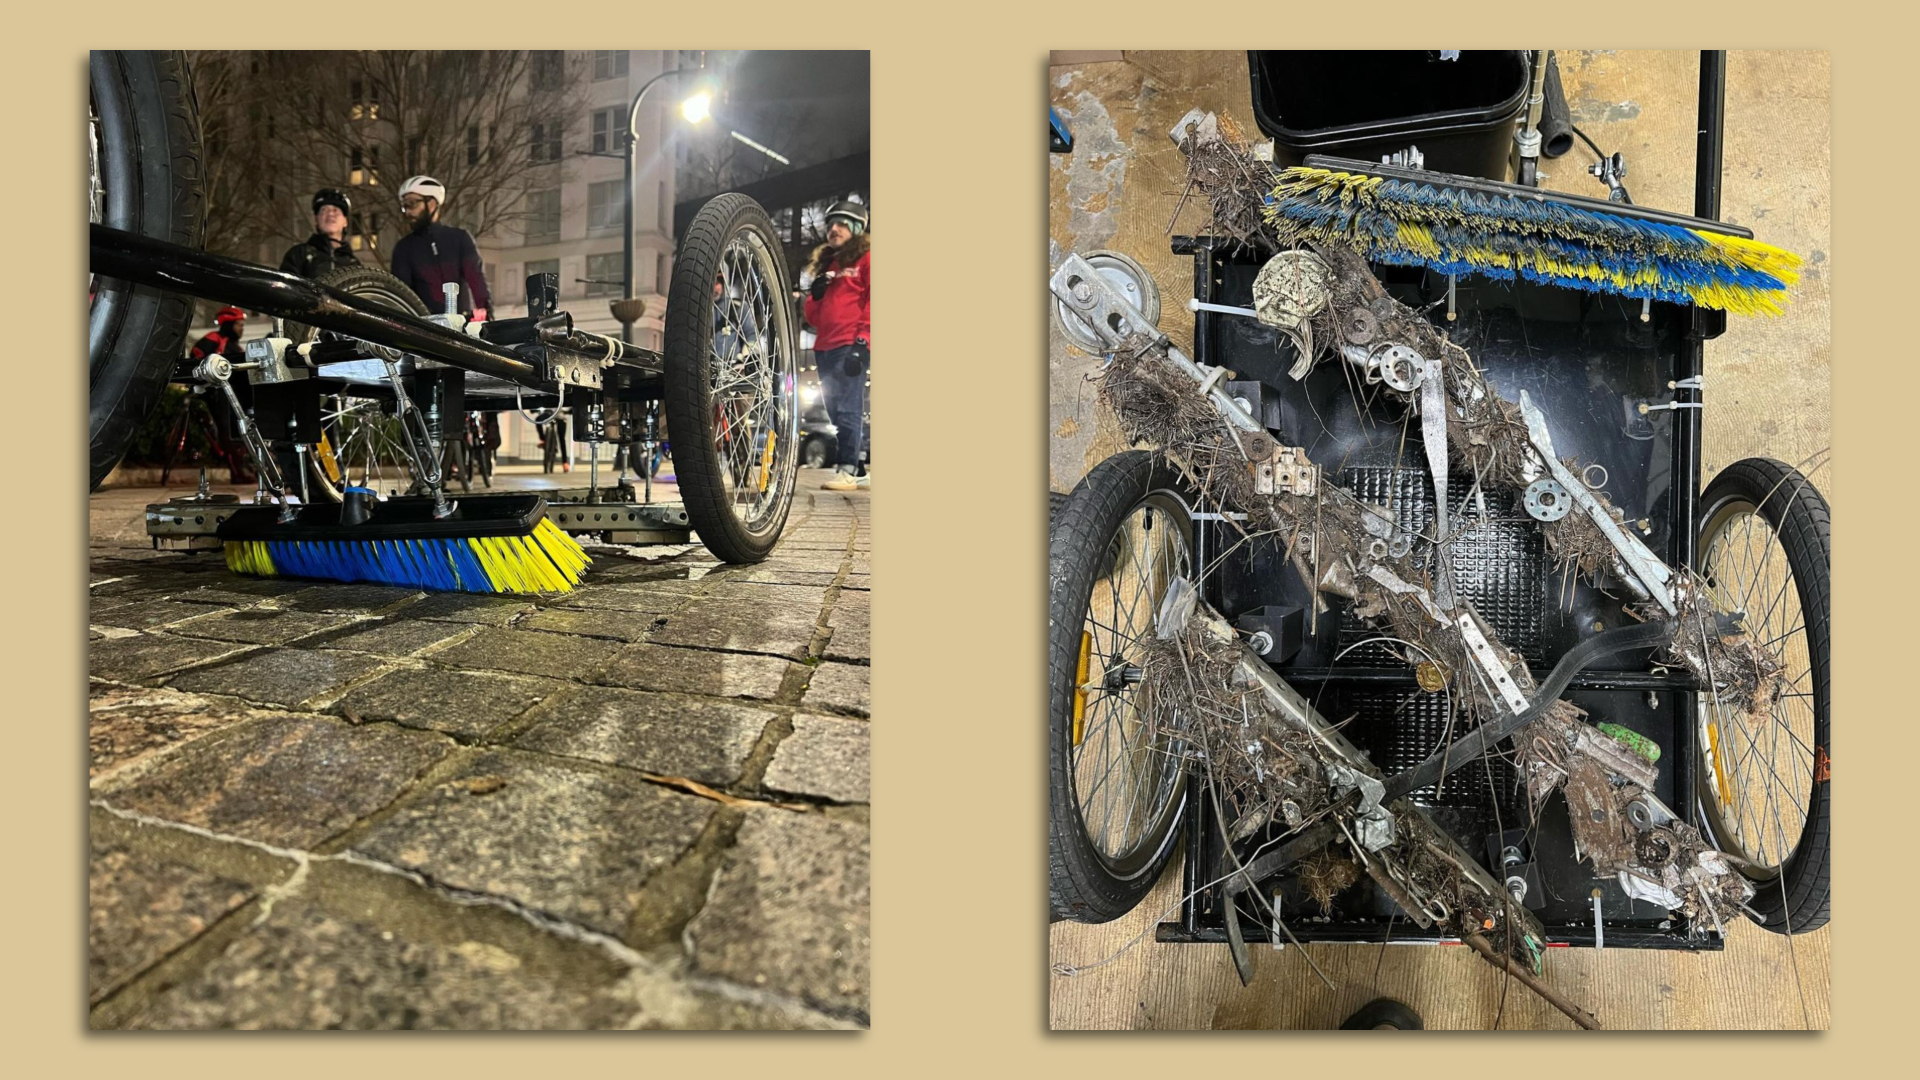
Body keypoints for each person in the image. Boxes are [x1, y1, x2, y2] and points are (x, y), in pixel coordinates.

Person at [802, 200, 870, 491]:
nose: (834, 229)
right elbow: (813, 318)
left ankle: (847, 469)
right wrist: (816, 296)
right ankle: (861, 468)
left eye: (842, 224)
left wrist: (864, 340)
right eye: (831, 225)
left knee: (847, 407)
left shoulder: (867, 259)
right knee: (832, 409)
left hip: (850, 342)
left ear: (855, 228)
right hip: (825, 346)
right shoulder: (828, 266)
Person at [390, 175, 491, 320]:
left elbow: (476, 278)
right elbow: (401, 295)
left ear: (431, 204)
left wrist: (487, 313)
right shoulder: (403, 248)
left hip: (462, 324)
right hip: (424, 327)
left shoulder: (460, 238)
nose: (407, 211)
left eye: (412, 203)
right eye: (404, 206)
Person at [278, 188, 361, 278]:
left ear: (345, 221)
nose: (330, 214)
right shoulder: (298, 254)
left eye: (335, 210)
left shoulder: (354, 264)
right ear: (316, 219)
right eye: (324, 210)